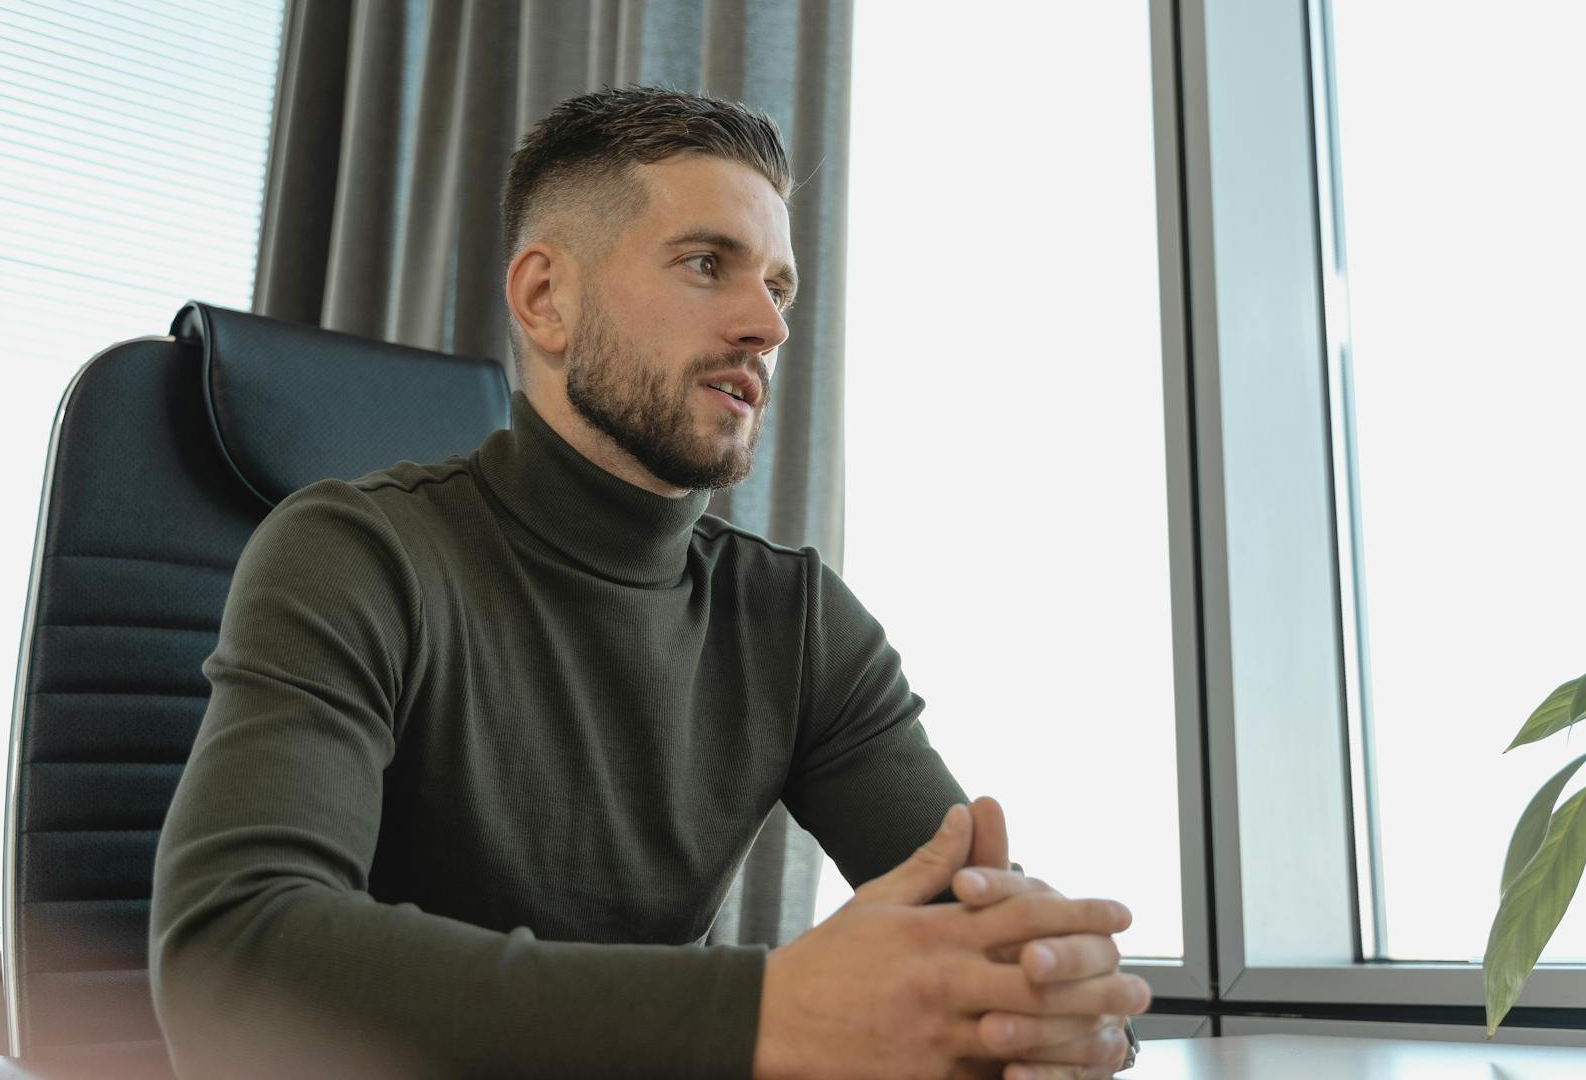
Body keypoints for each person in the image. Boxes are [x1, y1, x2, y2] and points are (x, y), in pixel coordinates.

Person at [148, 84, 1148, 1078]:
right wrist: (768, 1012)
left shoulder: (796, 622)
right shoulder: (353, 553)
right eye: (708, 263)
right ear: (548, 297)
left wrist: (1051, 1002)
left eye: (781, 286)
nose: (768, 325)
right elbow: (233, 956)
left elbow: (984, 953)